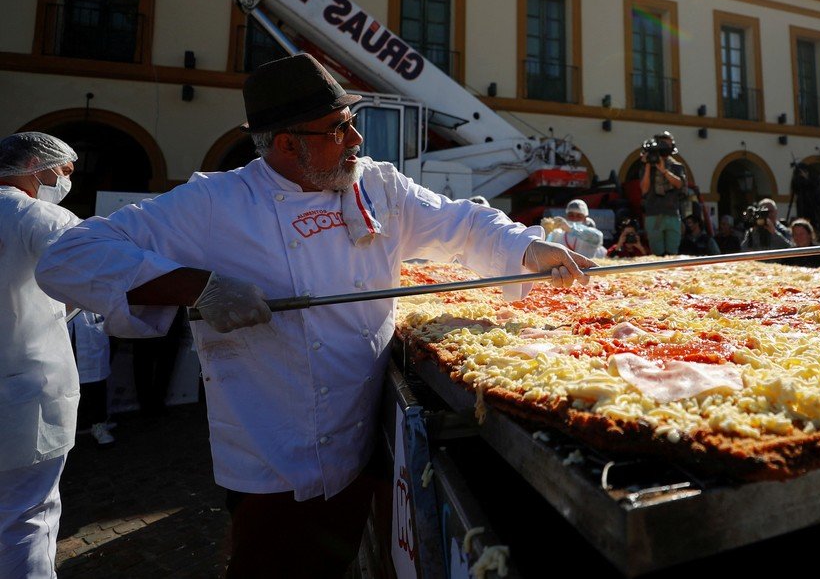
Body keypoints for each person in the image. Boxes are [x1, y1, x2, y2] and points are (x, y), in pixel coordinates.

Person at [35, 53, 590, 578]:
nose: (355, 139)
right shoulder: (214, 203)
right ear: (284, 144)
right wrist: (198, 287)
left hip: (365, 433)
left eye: (351, 121)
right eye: (336, 129)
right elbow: (68, 257)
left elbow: (462, 224)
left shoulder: (376, 185)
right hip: (278, 453)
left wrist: (528, 249)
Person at [0, 132, 81, 579]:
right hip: (26, 391)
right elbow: (86, 277)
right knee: (29, 515)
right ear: (36, 163)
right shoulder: (41, 215)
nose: (66, 180)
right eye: (65, 170)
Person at [68, 310, 115, 446]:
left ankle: (99, 424)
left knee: (96, 380)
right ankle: (77, 425)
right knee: (67, 380)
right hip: (64, 321)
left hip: (90, 320)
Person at [638, 131, 687, 255]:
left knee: (672, 253)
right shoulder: (647, 165)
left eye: (668, 145)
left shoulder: (676, 166)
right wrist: (649, 166)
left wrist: (664, 171)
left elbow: (680, 184)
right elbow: (644, 189)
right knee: (657, 253)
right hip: (653, 214)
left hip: (671, 213)